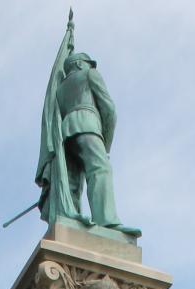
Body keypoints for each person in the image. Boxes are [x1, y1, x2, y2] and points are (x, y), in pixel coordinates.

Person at [35, 16, 139, 235]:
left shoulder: (60, 90)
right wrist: (106, 144)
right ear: (81, 64)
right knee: (100, 169)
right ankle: (107, 221)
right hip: (87, 126)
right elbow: (109, 109)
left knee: (73, 182)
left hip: (65, 136)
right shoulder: (90, 74)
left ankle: (70, 220)